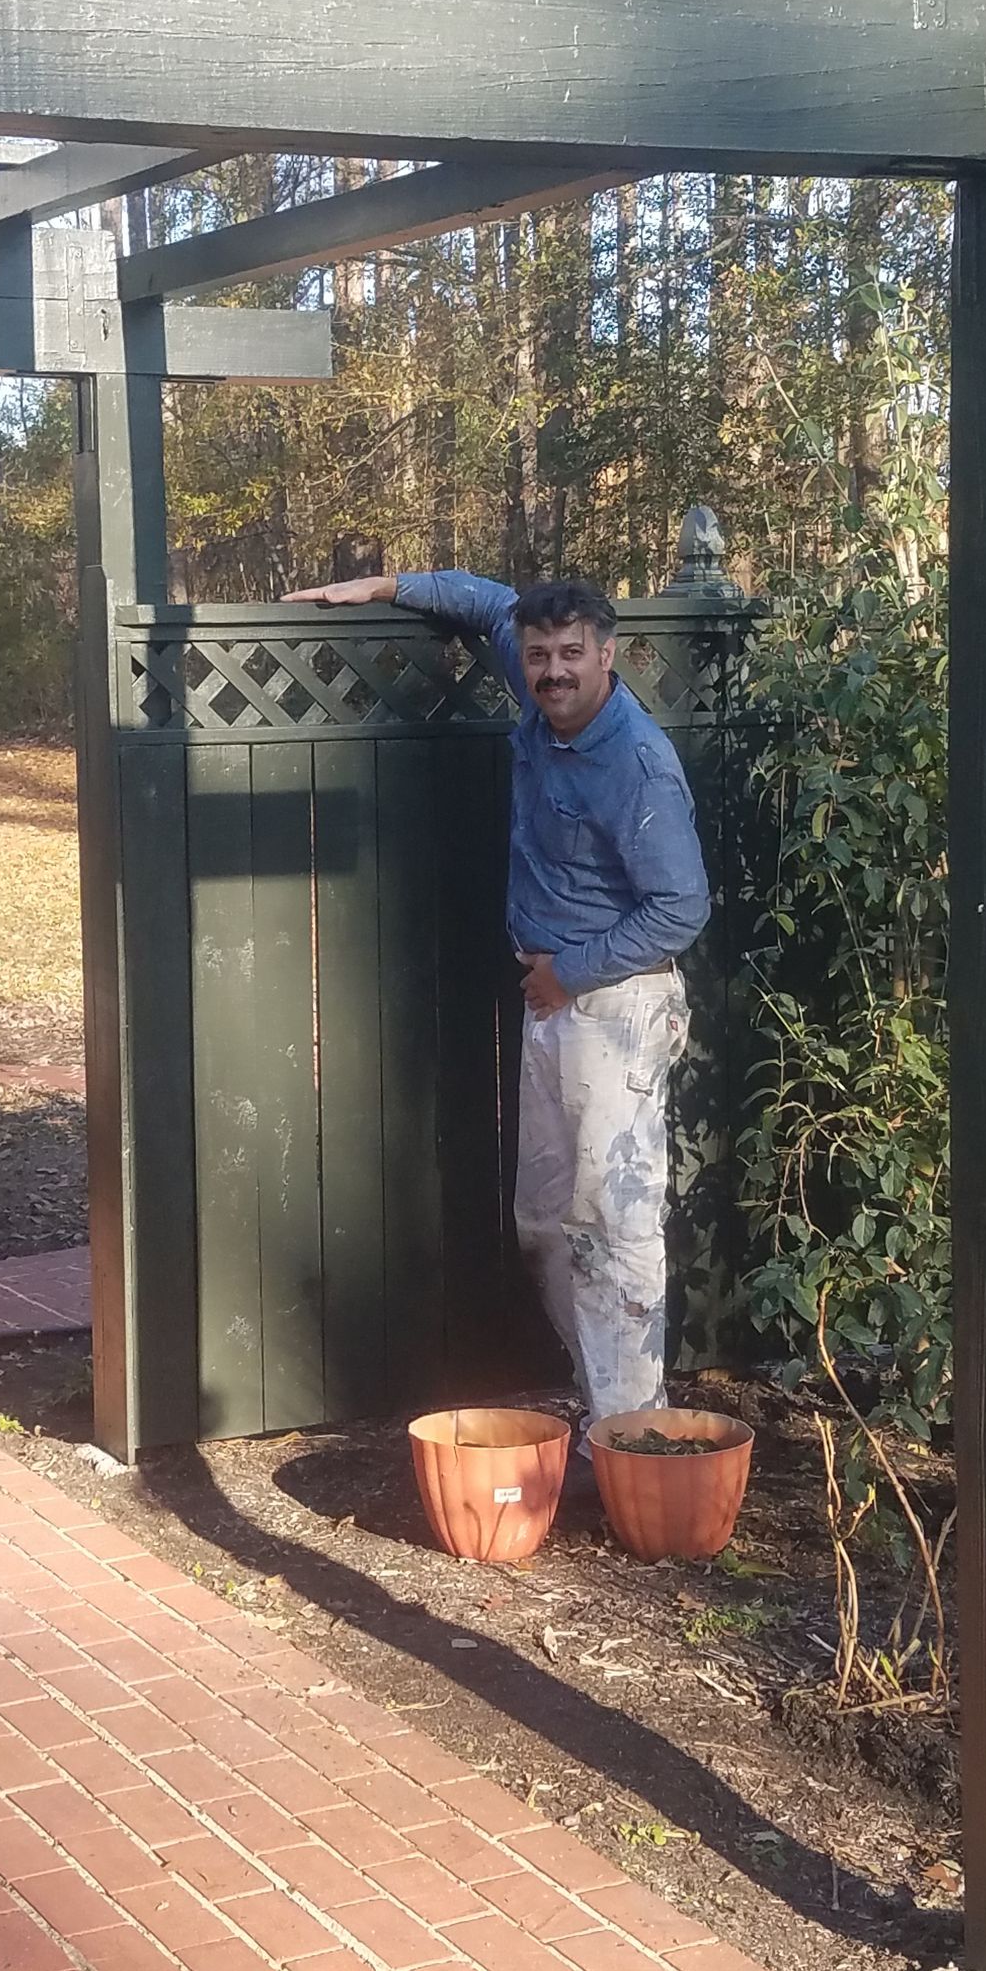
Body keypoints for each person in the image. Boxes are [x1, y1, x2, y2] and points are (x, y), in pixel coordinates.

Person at [283, 566, 711, 1440]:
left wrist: (570, 972)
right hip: (558, 1004)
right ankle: (610, 1415)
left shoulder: (635, 764)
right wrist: (383, 587)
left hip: (616, 1008)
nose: (552, 671)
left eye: (571, 655)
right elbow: (485, 603)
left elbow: (681, 907)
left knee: (612, 1228)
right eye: (540, 655)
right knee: (546, 1223)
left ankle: (634, 1440)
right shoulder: (545, 698)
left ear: (607, 655)